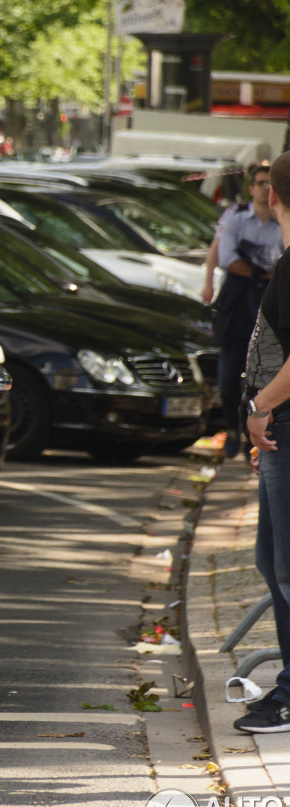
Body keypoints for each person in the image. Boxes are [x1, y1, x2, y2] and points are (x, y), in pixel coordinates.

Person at [234, 150, 290, 734]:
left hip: (282, 430)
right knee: (270, 564)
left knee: (287, 569)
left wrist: (258, 408)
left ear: (272, 196)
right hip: (278, 437)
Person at [214, 164, 283, 458]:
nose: (264, 188)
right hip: (238, 306)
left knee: (263, 376)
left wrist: (266, 274)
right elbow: (227, 258)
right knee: (228, 379)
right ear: (251, 187)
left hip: (268, 303)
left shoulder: (282, 220)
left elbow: (281, 263)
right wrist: (262, 273)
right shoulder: (236, 217)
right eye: (259, 183)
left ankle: (252, 438)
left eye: (269, 184)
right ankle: (233, 429)